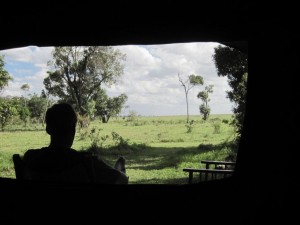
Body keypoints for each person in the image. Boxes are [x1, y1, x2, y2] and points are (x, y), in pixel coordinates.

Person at [21, 102, 128, 184]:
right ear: (73, 130)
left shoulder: (31, 158)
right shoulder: (87, 162)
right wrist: (118, 170)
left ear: (48, 129)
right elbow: (123, 180)